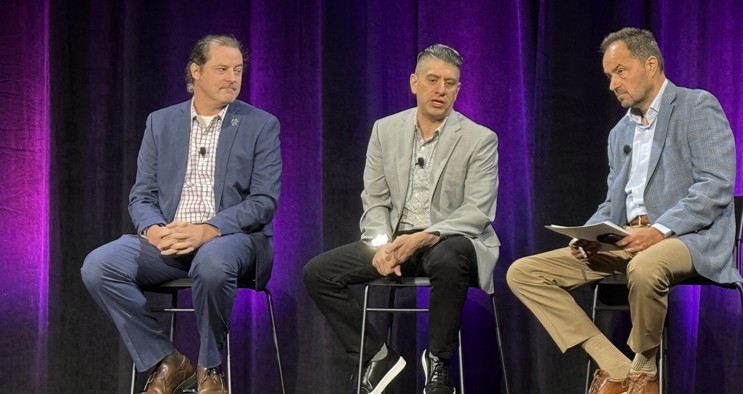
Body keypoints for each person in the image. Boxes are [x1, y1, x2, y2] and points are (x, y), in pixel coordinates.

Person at [507, 27, 738, 394]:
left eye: (620, 71)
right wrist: (587, 234)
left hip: (687, 237)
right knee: (524, 273)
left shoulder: (696, 106)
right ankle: (615, 365)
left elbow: (716, 185)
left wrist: (660, 230)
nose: (613, 84)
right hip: (627, 238)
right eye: (608, 76)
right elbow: (613, 202)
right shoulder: (620, 133)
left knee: (645, 266)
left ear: (650, 64)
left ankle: (645, 370)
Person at [81, 34, 281, 394]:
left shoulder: (260, 125)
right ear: (196, 71)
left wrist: (208, 230)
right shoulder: (161, 123)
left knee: (212, 261)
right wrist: (154, 230)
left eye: (237, 70)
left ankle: (209, 366)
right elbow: (141, 196)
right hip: (169, 241)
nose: (232, 78)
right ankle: (169, 361)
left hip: (232, 241)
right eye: (221, 69)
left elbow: (263, 202)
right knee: (99, 266)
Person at [303, 44, 499, 394]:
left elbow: (477, 211)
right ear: (414, 83)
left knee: (451, 256)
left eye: (450, 83)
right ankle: (376, 357)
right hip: (396, 240)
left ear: (458, 89)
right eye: (433, 80)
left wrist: (425, 237)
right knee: (319, 273)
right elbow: (375, 200)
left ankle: (438, 364)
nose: (441, 89)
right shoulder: (385, 130)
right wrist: (381, 245)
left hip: (448, 240)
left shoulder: (479, 138)